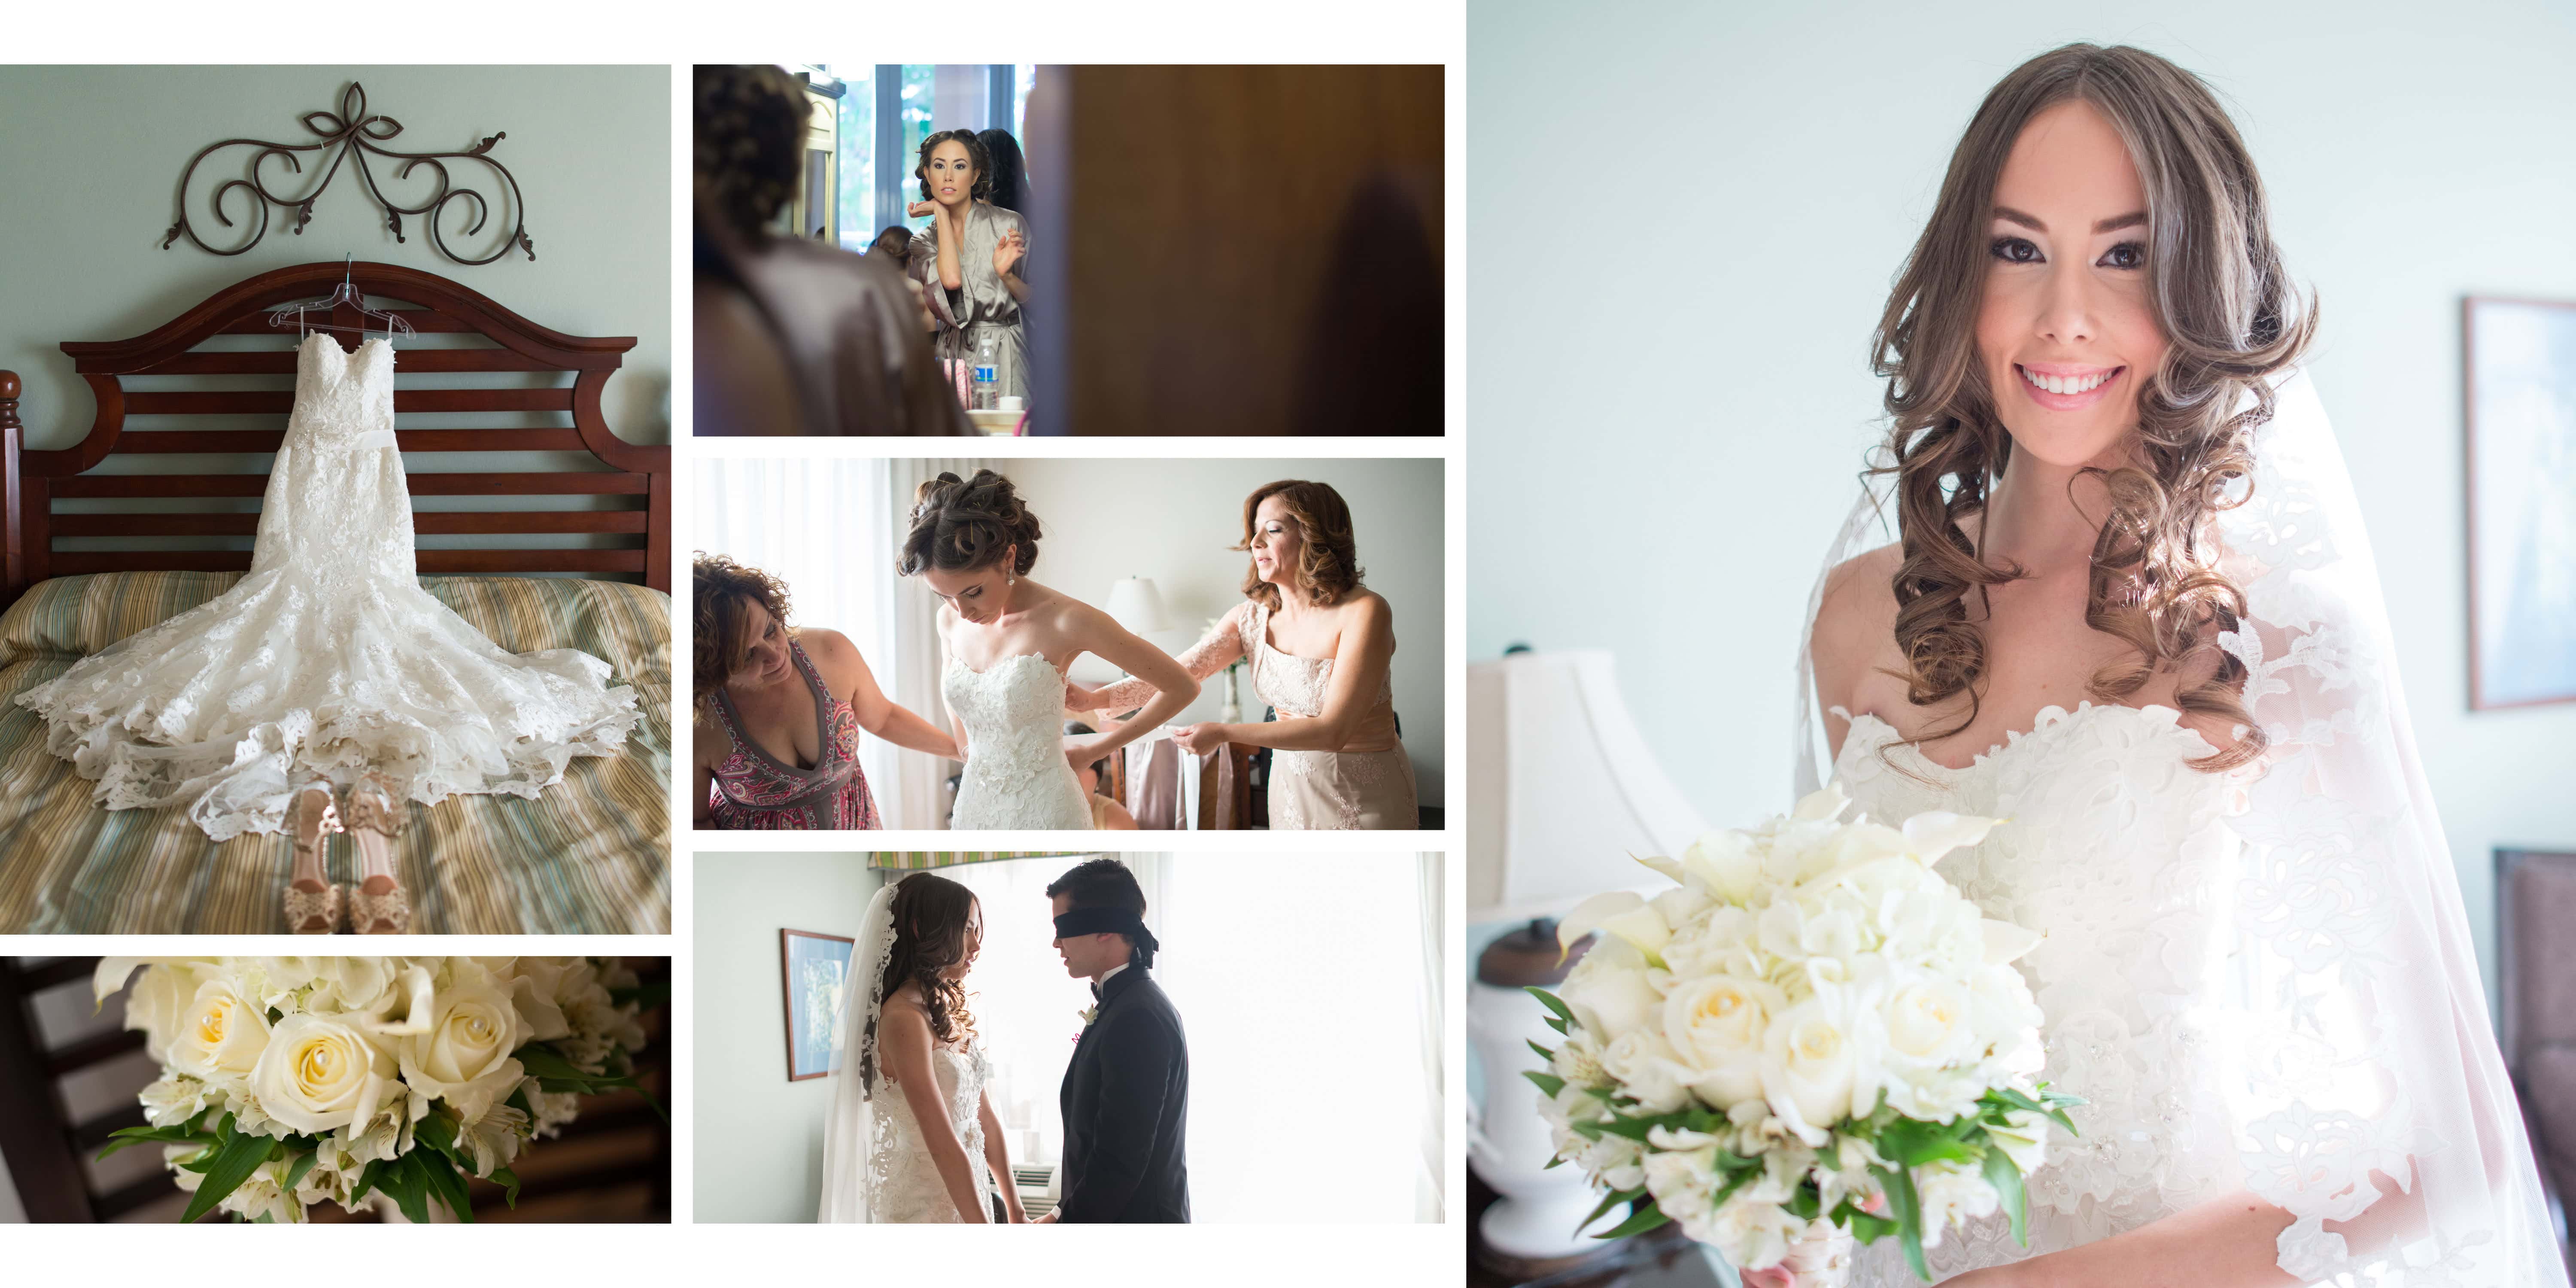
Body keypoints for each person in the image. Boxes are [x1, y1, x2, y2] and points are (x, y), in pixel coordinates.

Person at [1772, 43, 2559, 1286]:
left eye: (2125, 255)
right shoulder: (1859, 617)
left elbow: (2449, 1148)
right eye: (2017, 247)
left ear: (2202, 287)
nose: (2063, 315)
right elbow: (1857, 1014)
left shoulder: (2272, 631)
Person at [14, 326, 639, 935]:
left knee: (393, 643)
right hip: (304, 495)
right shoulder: (304, 332)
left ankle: (338, 834)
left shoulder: (387, 341)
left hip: (374, 496)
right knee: (273, 631)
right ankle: (348, 843)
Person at [1072, 480, 1418, 829]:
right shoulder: (1249, 619)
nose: (1255, 543)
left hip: (1365, 794)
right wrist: (1095, 699)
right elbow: (1179, 673)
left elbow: (1333, 732)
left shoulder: (1366, 611)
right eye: (1254, 532)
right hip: (1290, 790)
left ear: (1316, 536)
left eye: (1274, 529)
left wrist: (1225, 732)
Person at [899, 470, 1197, 829]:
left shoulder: (1068, 620)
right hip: (975, 805)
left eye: (973, 592)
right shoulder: (948, 621)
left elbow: (1182, 686)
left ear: (1008, 559)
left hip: (1048, 810)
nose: (962, 611)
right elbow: (954, 693)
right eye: (944, 595)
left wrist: (1096, 750)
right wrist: (965, 747)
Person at [693, 64, 972, 436]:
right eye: (940, 166)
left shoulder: (865, 290)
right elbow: (938, 428)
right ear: (792, 175)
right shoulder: (867, 288)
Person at [818, 872, 1025, 1223]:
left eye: (977, 932)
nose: (976, 946)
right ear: (920, 929)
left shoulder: (945, 1011)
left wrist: (1017, 1211)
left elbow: (985, 1120)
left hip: (969, 1193)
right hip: (927, 1207)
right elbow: (941, 1143)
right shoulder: (903, 1019)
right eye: (966, 930)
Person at [692, 554, 954, 829]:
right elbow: (697, 821)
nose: (775, 655)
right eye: (747, 656)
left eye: (770, 630)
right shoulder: (699, 719)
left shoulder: (831, 650)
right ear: (712, 667)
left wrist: (962, 752)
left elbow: (884, 717)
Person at [1042, 857, 1189, 1223]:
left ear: (1104, 928)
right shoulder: (1123, 1002)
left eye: (1063, 927)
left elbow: (1119, 1160)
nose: (1056, 942)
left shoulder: (1138, 1016)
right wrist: (1061, 1212)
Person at [905, 129, 1032, 405]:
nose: (948, 176)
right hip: (955, 356)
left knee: (1006, 443)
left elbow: (1041, 304)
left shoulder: (1009, 224)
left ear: (975, 175)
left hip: (1007, 354)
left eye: (960, 166)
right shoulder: (923, 241)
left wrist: (1007, 276)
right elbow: (951, 283)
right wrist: (940, 211)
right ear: (927, 174)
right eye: (939, 166)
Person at [1063, 722, 1140, 830]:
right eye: (1062, 768)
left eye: (1077, 765)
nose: (1071, 775)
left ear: (1098, 773)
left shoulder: (1116, 817)